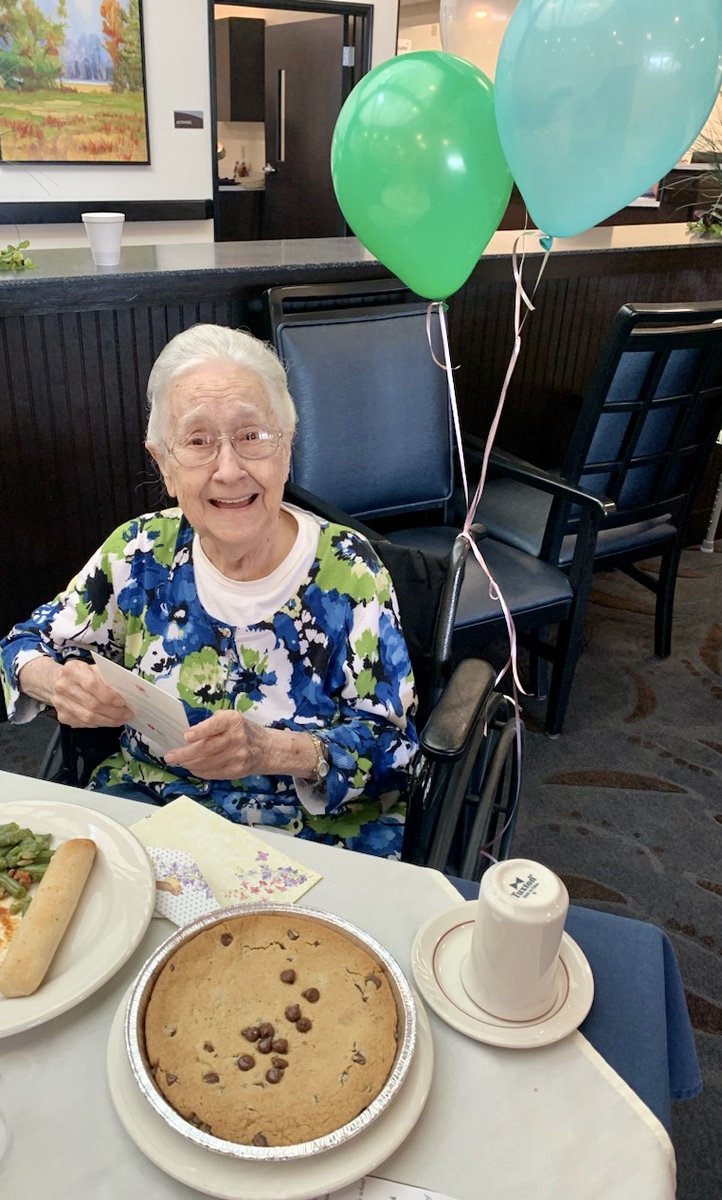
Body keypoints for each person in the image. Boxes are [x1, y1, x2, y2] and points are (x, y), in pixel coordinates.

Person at [0, 324, 418, 859]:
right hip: (151, 811)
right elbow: (22, 644)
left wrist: (271, 749)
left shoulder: (349, 571)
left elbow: (393, 748)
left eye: (252, 436)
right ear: (164, 466)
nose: (228, 469)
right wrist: (58, 682)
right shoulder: (138, 553)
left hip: (311, 836)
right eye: (198, 441)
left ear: (286, 448)